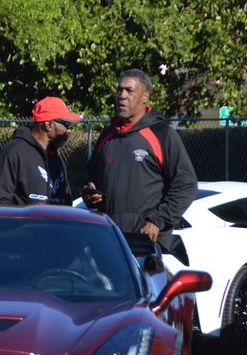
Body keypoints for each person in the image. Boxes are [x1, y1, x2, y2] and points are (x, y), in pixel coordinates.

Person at [83, 69, 197, 252]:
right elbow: (92, 174)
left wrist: (157, 221)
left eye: (129, 90)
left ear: (145, 97)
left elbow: (186, 185)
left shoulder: (162, 134)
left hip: (144, 239)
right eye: (119, 90)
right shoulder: (107, 135)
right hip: (108, 236)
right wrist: (90, 192)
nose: (122, 96)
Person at [0, 96, 80, 205]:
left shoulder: (56, 159)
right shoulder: (13, 153)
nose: (69, 131)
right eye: (67, 125)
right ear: (48, 124)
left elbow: (66, 203)